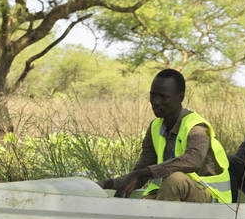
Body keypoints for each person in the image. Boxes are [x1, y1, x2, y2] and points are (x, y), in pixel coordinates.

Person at [97, 69, 231, 203]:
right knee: (150, 198)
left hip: (211, 197)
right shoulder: (155, 126)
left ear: (181, 97)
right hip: (172, 193)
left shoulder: (196, 127)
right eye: (153, 95)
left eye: (163, 96)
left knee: (175, 180)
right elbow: (139, 173)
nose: (155, 101)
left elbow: (193, 160)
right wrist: (105, 184)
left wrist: (145, 173)